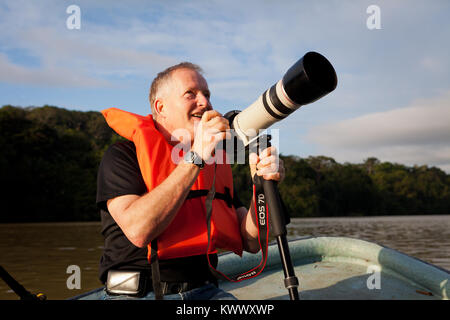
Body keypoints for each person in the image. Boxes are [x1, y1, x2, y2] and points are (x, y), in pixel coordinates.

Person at [89, 62, 285, 300]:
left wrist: (262, 185)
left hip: (206, 291)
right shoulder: (122, 155)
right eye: (190, 94)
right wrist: (198, 156)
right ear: (161, 107)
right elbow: (139, 231)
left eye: (207, 94)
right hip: (140, 294)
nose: (205, 102)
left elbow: (251, 241)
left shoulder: (214, 164)